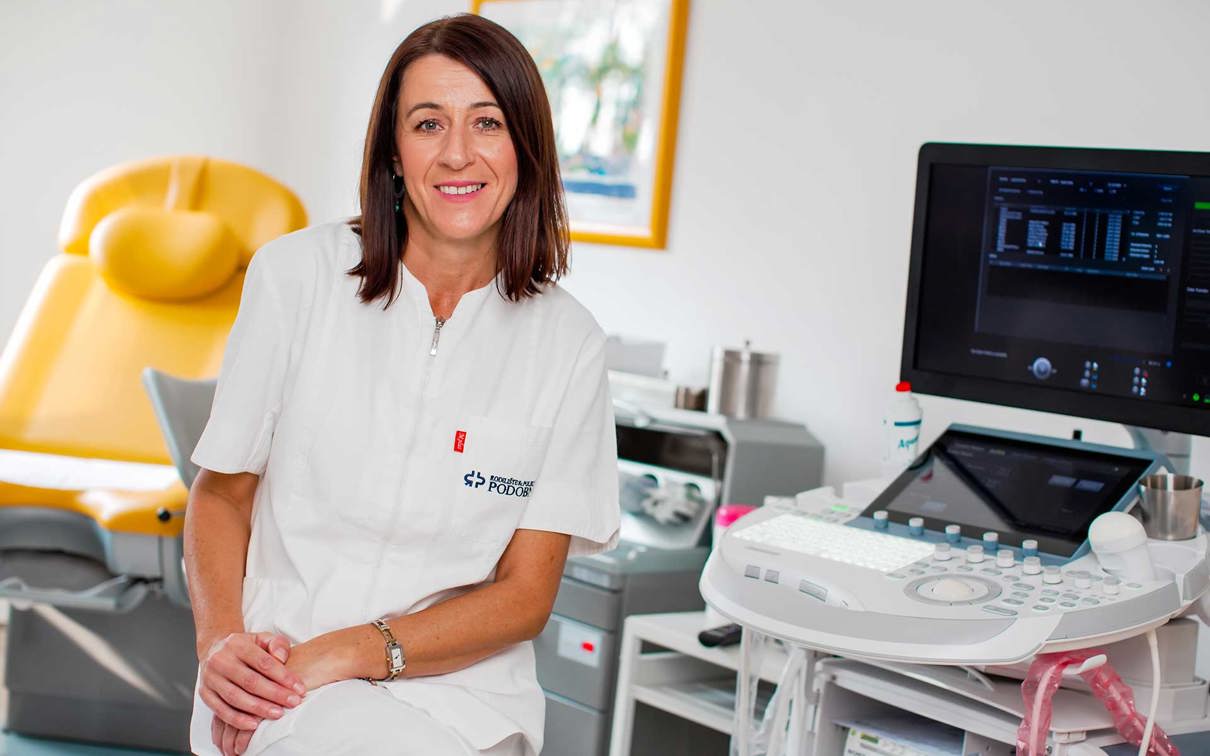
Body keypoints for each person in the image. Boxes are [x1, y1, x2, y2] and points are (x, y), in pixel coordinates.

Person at [185, 14, 619, 756]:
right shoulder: (296, 278)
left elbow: (524, 595)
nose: (457, 153)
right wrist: (222, 645)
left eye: (487, 122)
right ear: (394, 149)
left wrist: (353, 650)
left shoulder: (568, 343)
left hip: (465, 699)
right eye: (428, 123)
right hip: (279, 671)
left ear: (525, 146)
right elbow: (223, 495)